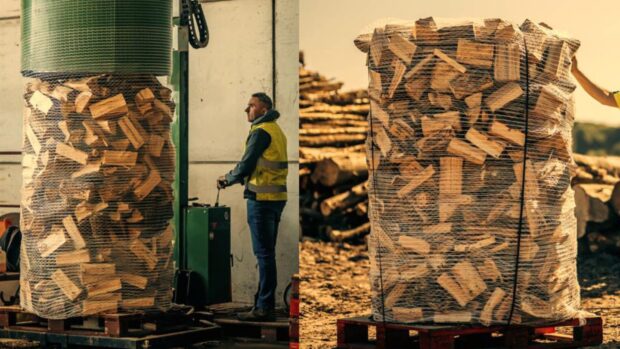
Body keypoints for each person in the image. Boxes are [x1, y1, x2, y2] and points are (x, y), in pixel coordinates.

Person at [217, 92, 288, 321]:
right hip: (276, 199)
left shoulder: (260, 132)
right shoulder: (277, 131)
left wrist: (227, 178)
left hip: (261, 201)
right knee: (267, 254)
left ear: (264, 111)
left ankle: (264, 307)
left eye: (251, 106)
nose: (246, 109)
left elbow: (246, 164)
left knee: (264, 255)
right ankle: (261, 302)